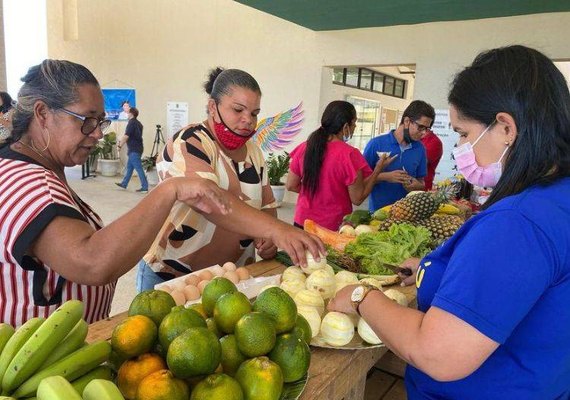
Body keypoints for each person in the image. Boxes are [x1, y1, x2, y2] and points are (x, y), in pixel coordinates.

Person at [328, 45, 570, 399]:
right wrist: (432, 268)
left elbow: (438, 353)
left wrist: (363, 296)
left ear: (505, 128)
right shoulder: (557, 197)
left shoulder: (516, 224)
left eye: (463, 133)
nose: (460, 147)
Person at [0, 60, 234, 327]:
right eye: (87, 120)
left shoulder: (26, 167)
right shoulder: (29, 184)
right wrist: (171, 189)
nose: (98, 133)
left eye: (100, 121)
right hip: (39, 361)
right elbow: (92, 262)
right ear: (42, 113)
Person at [137, 67, 325, 291]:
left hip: (230, 279)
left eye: (254, 113)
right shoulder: (189, 142)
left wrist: (267, 241)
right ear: (212, 108)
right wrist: (276, 229)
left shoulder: (253, 152)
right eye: (238, 110)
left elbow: (266, 208)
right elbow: (209, 202)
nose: (248, 120)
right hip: (172, 277)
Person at [286, 100, 393, 230]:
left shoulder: (305, 147)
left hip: (302, 222)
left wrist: (315, 192)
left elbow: (291, 185)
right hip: (332, 227)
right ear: (345, 127)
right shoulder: (349, 155)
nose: (355, 127)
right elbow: (357, 198)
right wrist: (378, 169)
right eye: (354, 123)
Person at [363, 100, 434, 211]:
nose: (424, 133)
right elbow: (361, 182)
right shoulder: (376, 144)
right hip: (378, 215)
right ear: (406, 121)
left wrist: (417, 186)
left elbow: (421, 183)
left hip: (408, 216)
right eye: (421, 127)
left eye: (427, 129)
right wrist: (386, 177)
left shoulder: (420, 149)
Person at [115, 107, 149, 193]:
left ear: (131, 114)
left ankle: (145, 187)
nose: (127, 114)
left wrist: (119, 146)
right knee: (129, 167)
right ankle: (124, 183)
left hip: (134, 149)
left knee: (139, 168)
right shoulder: (139, 124)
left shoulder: (131, 123)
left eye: (128, 112)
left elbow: (126, 136)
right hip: (138, 148)